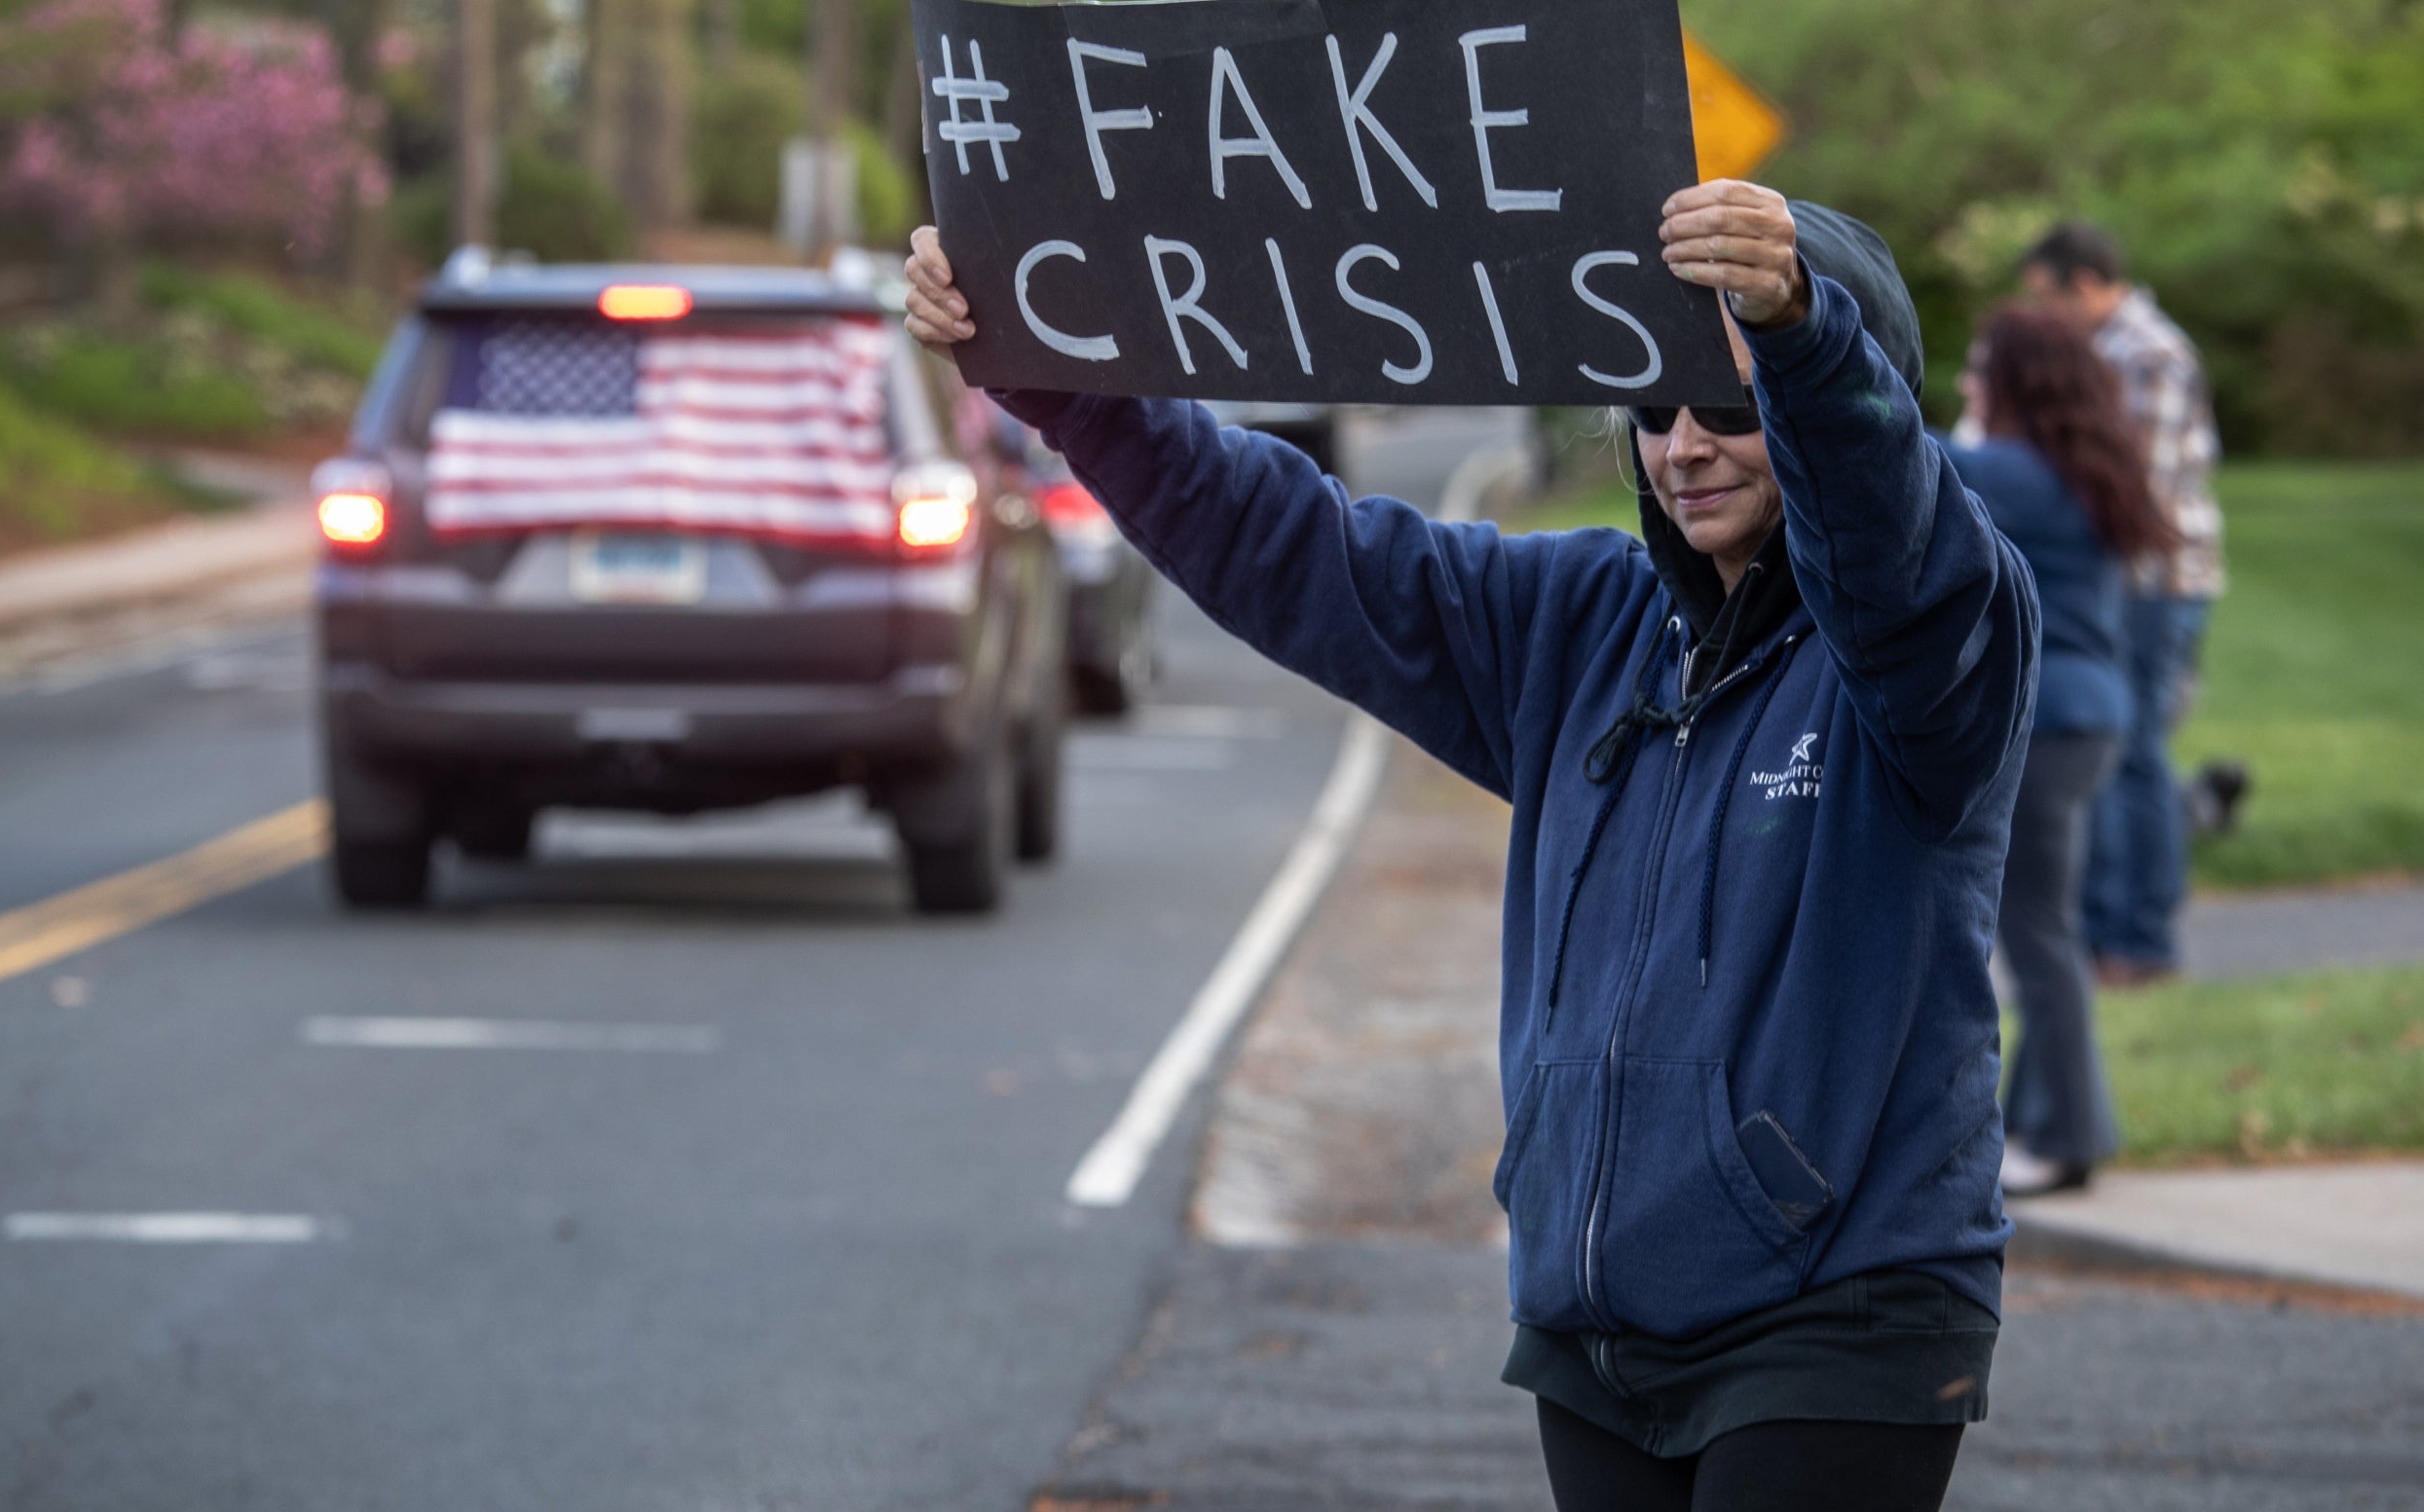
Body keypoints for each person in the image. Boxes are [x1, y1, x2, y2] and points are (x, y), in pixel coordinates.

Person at [905, 180, 2041, 1512]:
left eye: (1732, 408)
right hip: (1595, 1327)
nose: (1687, 446)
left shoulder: (1939, 653)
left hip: (1841, 1318)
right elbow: (1290, 546)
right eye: (1654, 408)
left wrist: (1802, 337)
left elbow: (1893, 541)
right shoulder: (1577, 622)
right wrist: (1065, 383)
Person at [1949, 306, 2177, 1196]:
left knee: (2038, 935)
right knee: (2051, 931)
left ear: (2017, 383)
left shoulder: (2007, 470)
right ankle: (2043, 1121)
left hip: (2044, 724)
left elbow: (1885, 454)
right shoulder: (2081, 471)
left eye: (1980, 368)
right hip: (2093, 719)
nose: (1969, 381)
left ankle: (2071, 1137)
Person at [2021, 224, 2223, 984]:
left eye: (2047, 296)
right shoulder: (2109, 351)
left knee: (2135, 753)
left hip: (2153, 584)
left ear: (2084, 285)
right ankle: (2110, 933)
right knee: (2117, 753)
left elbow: (2140, 493)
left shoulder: (2151, 355)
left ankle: (2144, 939)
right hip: (2115, 583)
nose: (2044, 313)